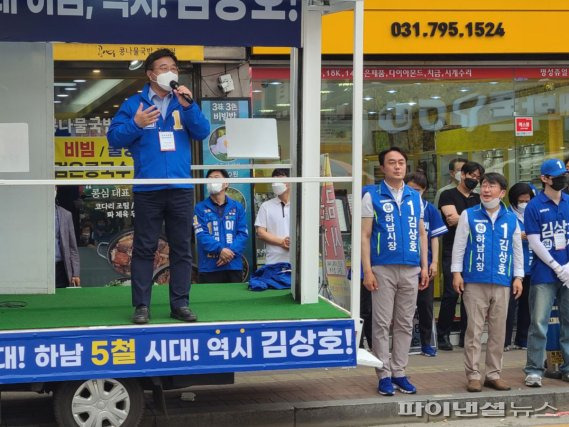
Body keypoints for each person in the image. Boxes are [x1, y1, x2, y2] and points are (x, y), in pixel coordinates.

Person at [107, 48, 210, 324]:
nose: (171, 73)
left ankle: (180, 304)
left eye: (174, 68)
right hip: (148, 189)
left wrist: (189, 106)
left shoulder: (183, 102)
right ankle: (142, 306)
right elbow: (114, 138)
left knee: (181, 248)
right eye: (164, 68)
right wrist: (136, 124)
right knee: (144, 248)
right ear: (151, 74)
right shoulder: (134, 104)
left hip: (180, 188)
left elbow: (202, 132)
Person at [361, 147, 429, 396]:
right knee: (381, 322)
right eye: (392, 163)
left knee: (404, 322)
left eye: (401, 162)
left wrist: (424, 266)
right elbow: (365, 235)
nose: (397, 167)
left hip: (411, 267)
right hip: (382, 267)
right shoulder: (372, 195)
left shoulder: (415, 196)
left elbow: (422, 233)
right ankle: (384, 374)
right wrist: (367, 270)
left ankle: (400, 371)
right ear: (382, 168)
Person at [451, 172, 523, 392]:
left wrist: (518, 276)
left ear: (501, 192)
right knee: (473, 330)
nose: (486, 190)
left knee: (498, 331)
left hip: (502, 280)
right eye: (484, 185)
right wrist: (456, 273)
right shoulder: (469, 214)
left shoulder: (511, 218)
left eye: (491, 186)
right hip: (474, 280)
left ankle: (493, 374)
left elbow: (517, 249)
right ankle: (473, 375)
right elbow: (459, 245)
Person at [524, 158, 569, 387]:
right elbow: (534, 240)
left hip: (568, 272)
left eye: (563, 174)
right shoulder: (534, 206)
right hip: (544, 272)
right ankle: (534, 369)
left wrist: (568, 267)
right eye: (557, 176)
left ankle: (567, 368)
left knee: (568, 321)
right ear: (544, 178)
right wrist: (557, 266)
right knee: (539, 322)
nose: (562, 179)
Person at [437, 161, 485, 351]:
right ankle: (443, 334)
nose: (474, 180)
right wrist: (472, 219)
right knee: (451, 293)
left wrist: (463, 218)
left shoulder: (478, 198)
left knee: (470, 294)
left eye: (477, 177)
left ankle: (467, 336)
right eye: (471, 175)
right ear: (461, 175)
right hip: (452, 249)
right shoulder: (447, 194)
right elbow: (451, 219)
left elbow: (464, 220)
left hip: (473, 251)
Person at [405, 171, 448, 357]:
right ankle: (401, 345)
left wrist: (434, 263)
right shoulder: (399, 207)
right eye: (411, 189)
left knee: (426, 307)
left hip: (425, 267)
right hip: (404, 265)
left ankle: (426, 343)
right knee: (403, 309)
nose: (415, 193)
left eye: (419, 190)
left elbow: (434, 239)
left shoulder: (429, 209)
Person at [193, 169, 249, 284]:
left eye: (217, 178)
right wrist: (220, 250)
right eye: (210, 179)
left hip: (233, 265)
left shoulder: (237, 207)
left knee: (233, 300)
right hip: (209, 267)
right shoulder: (199, 208)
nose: (212, 181)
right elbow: (201, 234)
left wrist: (229, 253)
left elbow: (243, 234)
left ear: (226, 183)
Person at [504, 183, 534, 351]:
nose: (524, 203)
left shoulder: (533, 213)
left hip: (530, 265)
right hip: (512, 267)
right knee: (509, 305)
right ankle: (505, 340)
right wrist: (517, 236)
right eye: (521, 200)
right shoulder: (507, 214)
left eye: (527, 200)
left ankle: (522, 340)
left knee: (527, 306)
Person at [255, 168, 291, 265]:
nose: (276, 182)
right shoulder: (266, 206)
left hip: (297, 262)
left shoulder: (300, 205)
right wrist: (282, 241)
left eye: (279, 178)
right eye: (274, 179)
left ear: (291, 181)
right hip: (273, 262)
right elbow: (260, 232)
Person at [55, 199, 80, 288]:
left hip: (59, 266)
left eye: (54, 188)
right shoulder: (34, 214)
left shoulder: (65, 214)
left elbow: (72, 247)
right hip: (39, 268)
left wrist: (75, 273)